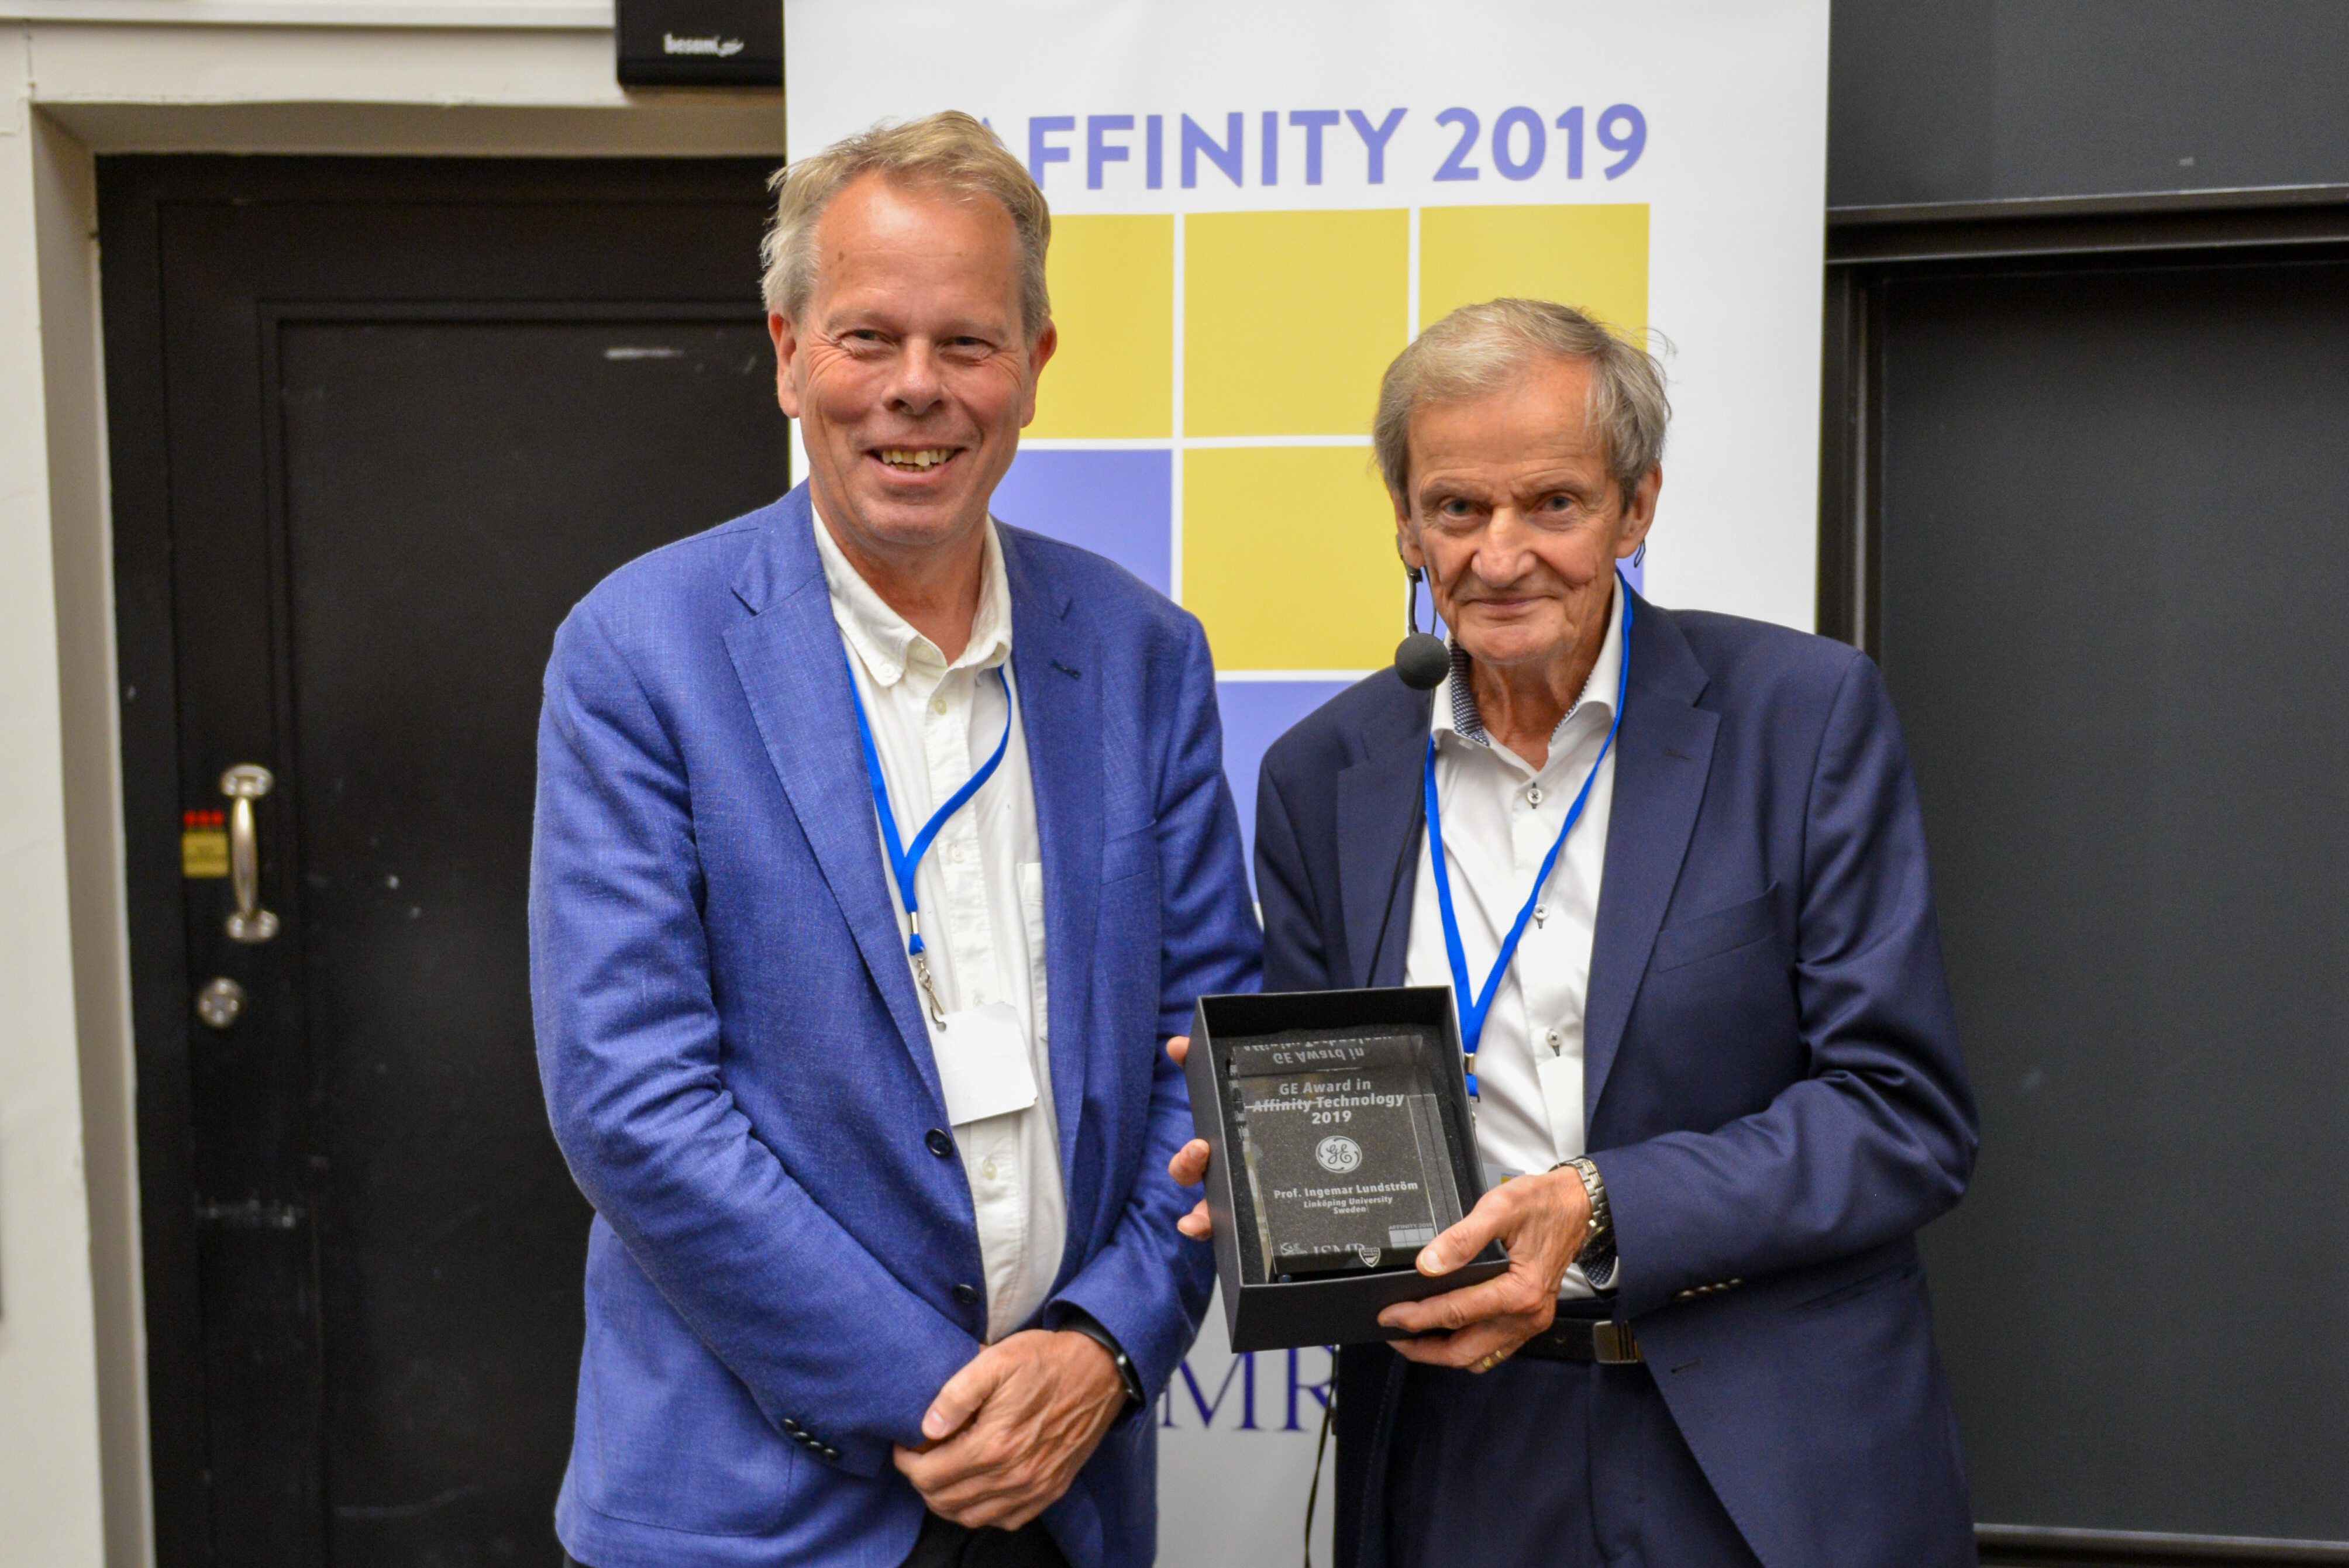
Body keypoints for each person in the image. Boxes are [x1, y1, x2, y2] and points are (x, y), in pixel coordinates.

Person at [531, 112, 1257, 1568]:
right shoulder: (641, 651)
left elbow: (1206, 1052)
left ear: (1033, 365)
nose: (916, 388)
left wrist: (1102, 1351)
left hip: (1064, 1496)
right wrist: (946, 1403)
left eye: (967, 343)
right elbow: (633, 1101)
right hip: (758, 1510)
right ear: (788, 351)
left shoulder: (1140, 652)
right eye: (868, 338)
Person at [1169, 299, 1979, 1567]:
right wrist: (1270, 1179)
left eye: (1552, 503)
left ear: (1635, 507)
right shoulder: (1323, 774)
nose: (1500, 556)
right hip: (1458, 1447)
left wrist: (1598, 1205)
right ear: (1405, 525)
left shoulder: (1802, 717)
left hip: (1760, 1449)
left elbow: (1901, 1117)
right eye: (1456, 508)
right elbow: (1334, 1110)